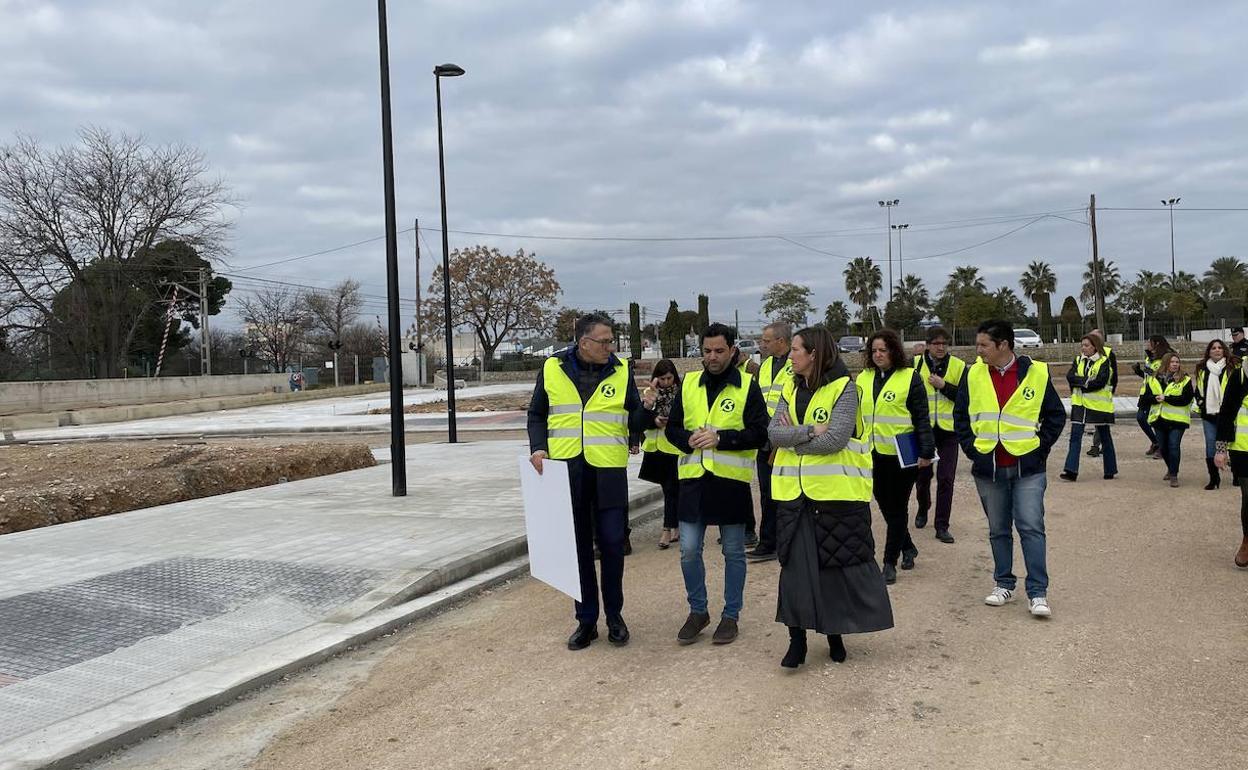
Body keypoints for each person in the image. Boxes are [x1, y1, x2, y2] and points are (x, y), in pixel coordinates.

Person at [768, 326, 893, 668]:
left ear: (814, 354)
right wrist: (808, 431)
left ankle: (834, 634)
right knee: (794, 571)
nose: (790, 355)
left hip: (834, 495)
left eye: (795, 350)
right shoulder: (789, 386)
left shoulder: (845, 389)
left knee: (832, 569)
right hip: (793, 494)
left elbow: (835, 439)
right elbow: (772, 433)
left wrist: (792, 438)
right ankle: (797, 641)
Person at [527, 312, 646, 650]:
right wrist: (538, 447)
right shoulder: (552, 367)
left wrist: (642, 419)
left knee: (612, 544)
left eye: (612, 341)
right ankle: (586, 621)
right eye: (605, 341)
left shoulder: (621, 370)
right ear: (584, 342)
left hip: (608, 470)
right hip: (567, 471)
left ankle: (615, 618)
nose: (611, 347)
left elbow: (633, 412)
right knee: (577, 549)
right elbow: (536, 413)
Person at [953, 319, 1066, 618]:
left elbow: (1055, 416)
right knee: (998, 530)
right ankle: (1003, 583)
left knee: (1031, 528)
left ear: (1003, 345)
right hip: (988, 467)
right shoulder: (973, 373)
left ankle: (1038, 592)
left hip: (1027, 467)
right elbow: (961, 417)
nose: (978, 351)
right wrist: (972, 451)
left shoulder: (1036, 374)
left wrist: (1040, 449)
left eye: (983, 345)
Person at [665, 322, 769, 646]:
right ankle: (699, 611)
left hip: (729, 484)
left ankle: (731, 615)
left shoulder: (747, 386)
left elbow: (759, 432)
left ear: (732, 350)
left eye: (719, 351)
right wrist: (688, 439)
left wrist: (722, 438)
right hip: (693, 482)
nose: (712, 356)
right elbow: (671, 429)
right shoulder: (690, 383)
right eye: (707, 350)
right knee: (688, 550)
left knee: (734, 552)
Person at [856, 329, 934, 585]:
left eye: (883, 350)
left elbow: (922, 417)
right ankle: (908, 547)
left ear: (894, 351)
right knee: (886, 506)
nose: (878, 355)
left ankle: (889, 561)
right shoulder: (862, 379)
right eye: (874, 350)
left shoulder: (909, 377)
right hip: (872, 453)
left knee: (898, 507)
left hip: (903, 454)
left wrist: (926, 451)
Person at [746, 322, 795, 562]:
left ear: (781, 342)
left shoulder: (796, 365)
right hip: (765, 440)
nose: (761, 344)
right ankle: (768, 542)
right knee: (767, 493)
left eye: (766, 340)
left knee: (786, 494)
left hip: (787, 441)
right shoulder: (765, 366)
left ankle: (786, 542)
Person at [913, 325, 965, 543]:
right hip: (924, 430)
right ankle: (923, 508)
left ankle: (942, 525)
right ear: (927, 345)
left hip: (949, 431)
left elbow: (965, 398)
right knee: (923, 477)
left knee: (946, 479)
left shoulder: (959, 366)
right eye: (936, 343)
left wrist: (944, 386)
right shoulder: (914, 365)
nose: (941, 347)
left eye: (944, 343)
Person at [1060, 332, 1118, 481]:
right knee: (1075, 437)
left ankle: (1110, 469)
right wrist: (1085, 381)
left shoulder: (1104, 361)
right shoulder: (1078, 359)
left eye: (1086, 345)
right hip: (1079, 404)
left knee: (1105, 437)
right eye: (1082, 345)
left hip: (1099, 406)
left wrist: (1081, 383)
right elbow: (1070, 377)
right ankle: (1071, 471)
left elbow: (1101, 381)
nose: (1083, 348)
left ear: (1095, 347)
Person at [639, 359, 682, 547]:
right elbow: (640, 421)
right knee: (668, 490)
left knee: (672, 489)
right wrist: (654, 420)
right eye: (662, 378)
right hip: (655, 447)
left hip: (673, 447)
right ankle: (675, 525)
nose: (666, 382)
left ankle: (667, 528)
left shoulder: (681, 393)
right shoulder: (649, 393)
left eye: (669, 378)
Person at [1212, 368, 1248, 568]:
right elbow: (1226, 413)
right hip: (1244, 449)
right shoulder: (1241, 375)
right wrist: (1221, 449)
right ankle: (1247, 541)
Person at [1147, 352, 1193, 488]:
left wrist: (1166, 399)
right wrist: (1154, 398)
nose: (1175, 364)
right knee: (1163, 447)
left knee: (1173, 446)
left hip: (1177, 420)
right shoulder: (1154, 378)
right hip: (1159, 418)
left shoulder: (1185, 379)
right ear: (1166, 363)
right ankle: (1170, 467)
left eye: (1177, 362)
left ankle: (1174, 474)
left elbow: (1186, 399)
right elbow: (1144, 398)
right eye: (1172, 362)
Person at [1194, 340, 1235, 490]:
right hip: (1209, 415)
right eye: (1213, 348)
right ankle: (1214, 478)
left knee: (1231, 444)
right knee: (1211, 446)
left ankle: (1237, 474)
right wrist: (1200, 402)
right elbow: (1198, 389)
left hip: (1228, 414)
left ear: (1224, 350)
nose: (1217, 350)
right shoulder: (1202, 369)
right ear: (1209, 351)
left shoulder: (1232, 368)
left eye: (1220, 348)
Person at [1133, 335, 1171, 457]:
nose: (1147, 344)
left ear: (1157, 344)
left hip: (1157, 393)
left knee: (1157, 421)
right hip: (1146, 393)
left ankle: (1162, 446)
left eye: (1149, 342)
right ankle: (1156, 442)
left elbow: (1164, 376)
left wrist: (1151, 373)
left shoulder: (1166, 358)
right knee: (1141, 418)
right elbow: (1148, 376)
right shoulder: (1150, 358)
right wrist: (1139, 371)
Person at [1086, 328, 1118, 458]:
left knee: (1101, 422)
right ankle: (1102, 446)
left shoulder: (1108, 353)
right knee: (1101, 423)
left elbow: (1114, 374)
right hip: (1090, 393)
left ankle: (1097, 446)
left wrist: (1112, 390)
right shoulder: (1087, 353)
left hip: (1103, 393)